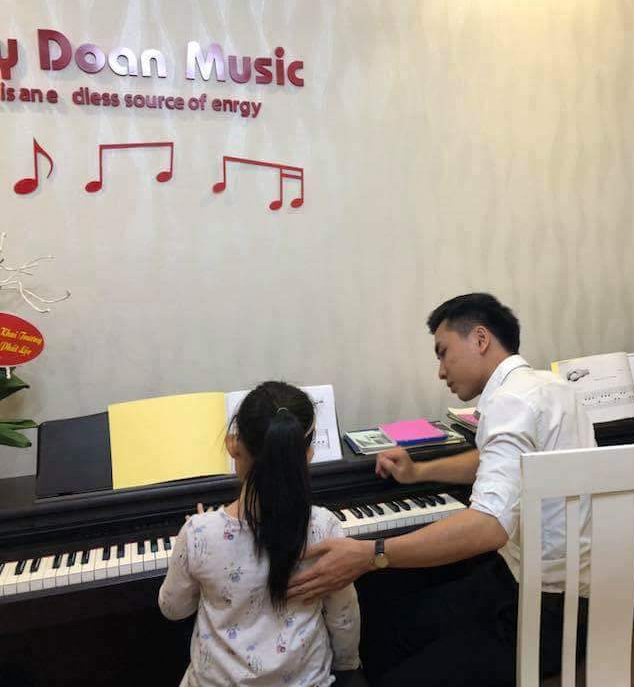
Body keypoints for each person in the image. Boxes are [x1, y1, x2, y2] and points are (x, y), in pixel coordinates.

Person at [287, 293, 597, 687]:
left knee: (390, 641)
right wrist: (419, 471)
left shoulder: (510, 401)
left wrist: (371, 554)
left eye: (443, 352)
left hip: (541, 610)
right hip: (555, 589)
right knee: (395, 618)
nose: (440, 371)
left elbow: (489, 526)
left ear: (480, 339)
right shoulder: (552, 387)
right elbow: (498, 460)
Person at [159, 381, 360, 687]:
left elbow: (173, 609)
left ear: (233, 444)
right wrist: (348, 666)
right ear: (307, 453)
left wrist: (201, 541)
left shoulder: (199, 533)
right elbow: (343, 617)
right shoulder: (325, 527)